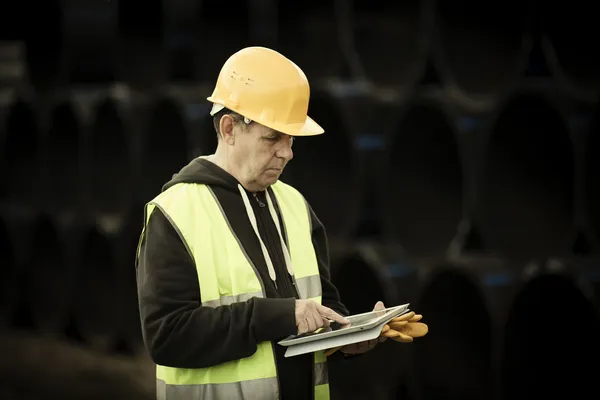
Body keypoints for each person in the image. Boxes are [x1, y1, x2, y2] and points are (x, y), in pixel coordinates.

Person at [135, 46, 417, 400]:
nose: (287, 152)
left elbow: (319, 305)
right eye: (273, 138)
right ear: (228, 128)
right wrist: (277, 316)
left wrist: (349, 336)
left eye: (291, 139)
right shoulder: (175, 214)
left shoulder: (295, 206)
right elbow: (167, 336)